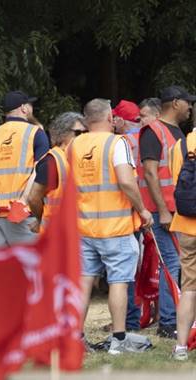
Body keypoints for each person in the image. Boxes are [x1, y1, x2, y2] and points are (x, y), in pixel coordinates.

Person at [71, 99, 153, 354]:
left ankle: (76, 337)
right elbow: (127, 182)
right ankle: (119, 340)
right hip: (115, 226)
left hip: (83, 226)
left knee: (84, 280)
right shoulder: (117, 143)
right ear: (109, 118)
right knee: (119, 281)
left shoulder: (74, 144)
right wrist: (142, 209)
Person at [138, 85, 194, 339]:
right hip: (164, 211)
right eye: (187, 102)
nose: (190, 107)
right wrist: (162, 210)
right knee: (172, 264)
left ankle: (174, 320)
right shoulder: (153, 131)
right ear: (174, 103)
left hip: (177, 209)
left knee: (179, 265)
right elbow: (150, 172)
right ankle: (169, 322)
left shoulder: (176, 132)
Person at [0, 90, 49, 248]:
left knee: (3, 269)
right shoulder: (36, 133)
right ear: (24, 108)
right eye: (30, 105)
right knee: (28, 268)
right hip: (24, 214)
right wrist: (24, 200)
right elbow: (40, 171)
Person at [27, 112, 86, 232]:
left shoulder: (81, 157)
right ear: (62, 133)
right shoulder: (52, 161)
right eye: (78, 133)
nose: (83, 137)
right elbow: (33, 198)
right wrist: (40, 219)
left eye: (86, 133)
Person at [169, 126, 196, 360]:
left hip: (187, 225)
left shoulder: (180, 146)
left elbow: (174, 178)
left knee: (189, 288)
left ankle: (180, 348)